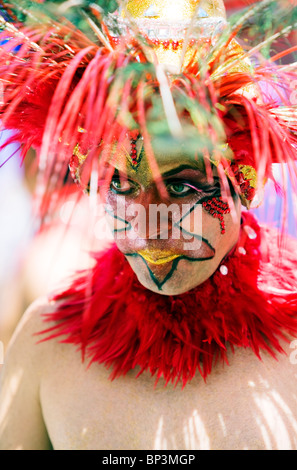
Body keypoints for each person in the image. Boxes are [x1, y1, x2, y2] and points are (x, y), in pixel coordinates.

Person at [0, 0, 297, 450]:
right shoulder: (46, 344)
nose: (147, 225)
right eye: (121, 185)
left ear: (245, 183)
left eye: (181, 189)